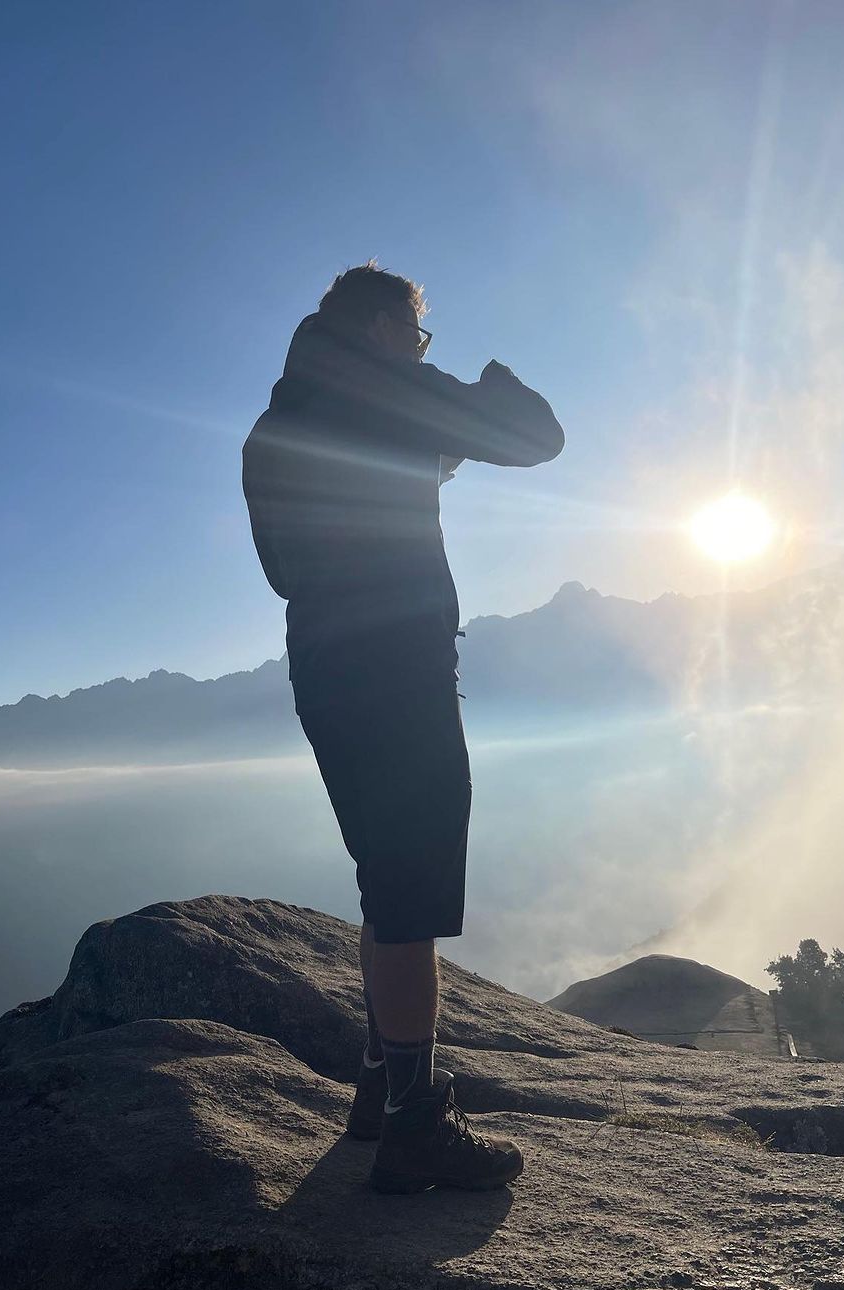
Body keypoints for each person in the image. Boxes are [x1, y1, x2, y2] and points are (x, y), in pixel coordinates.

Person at [241, 261, 564, 1193]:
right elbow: (536, 436)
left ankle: (379, 1092)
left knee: (386, 876)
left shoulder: (272, 425)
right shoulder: (384, 389)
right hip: (398, 667)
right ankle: (419, 1128)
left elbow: (282, 568)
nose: (423, 355)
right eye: (419, 339)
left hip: (325, 665)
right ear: (386, 329)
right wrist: (487, 381)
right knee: (413, 886)